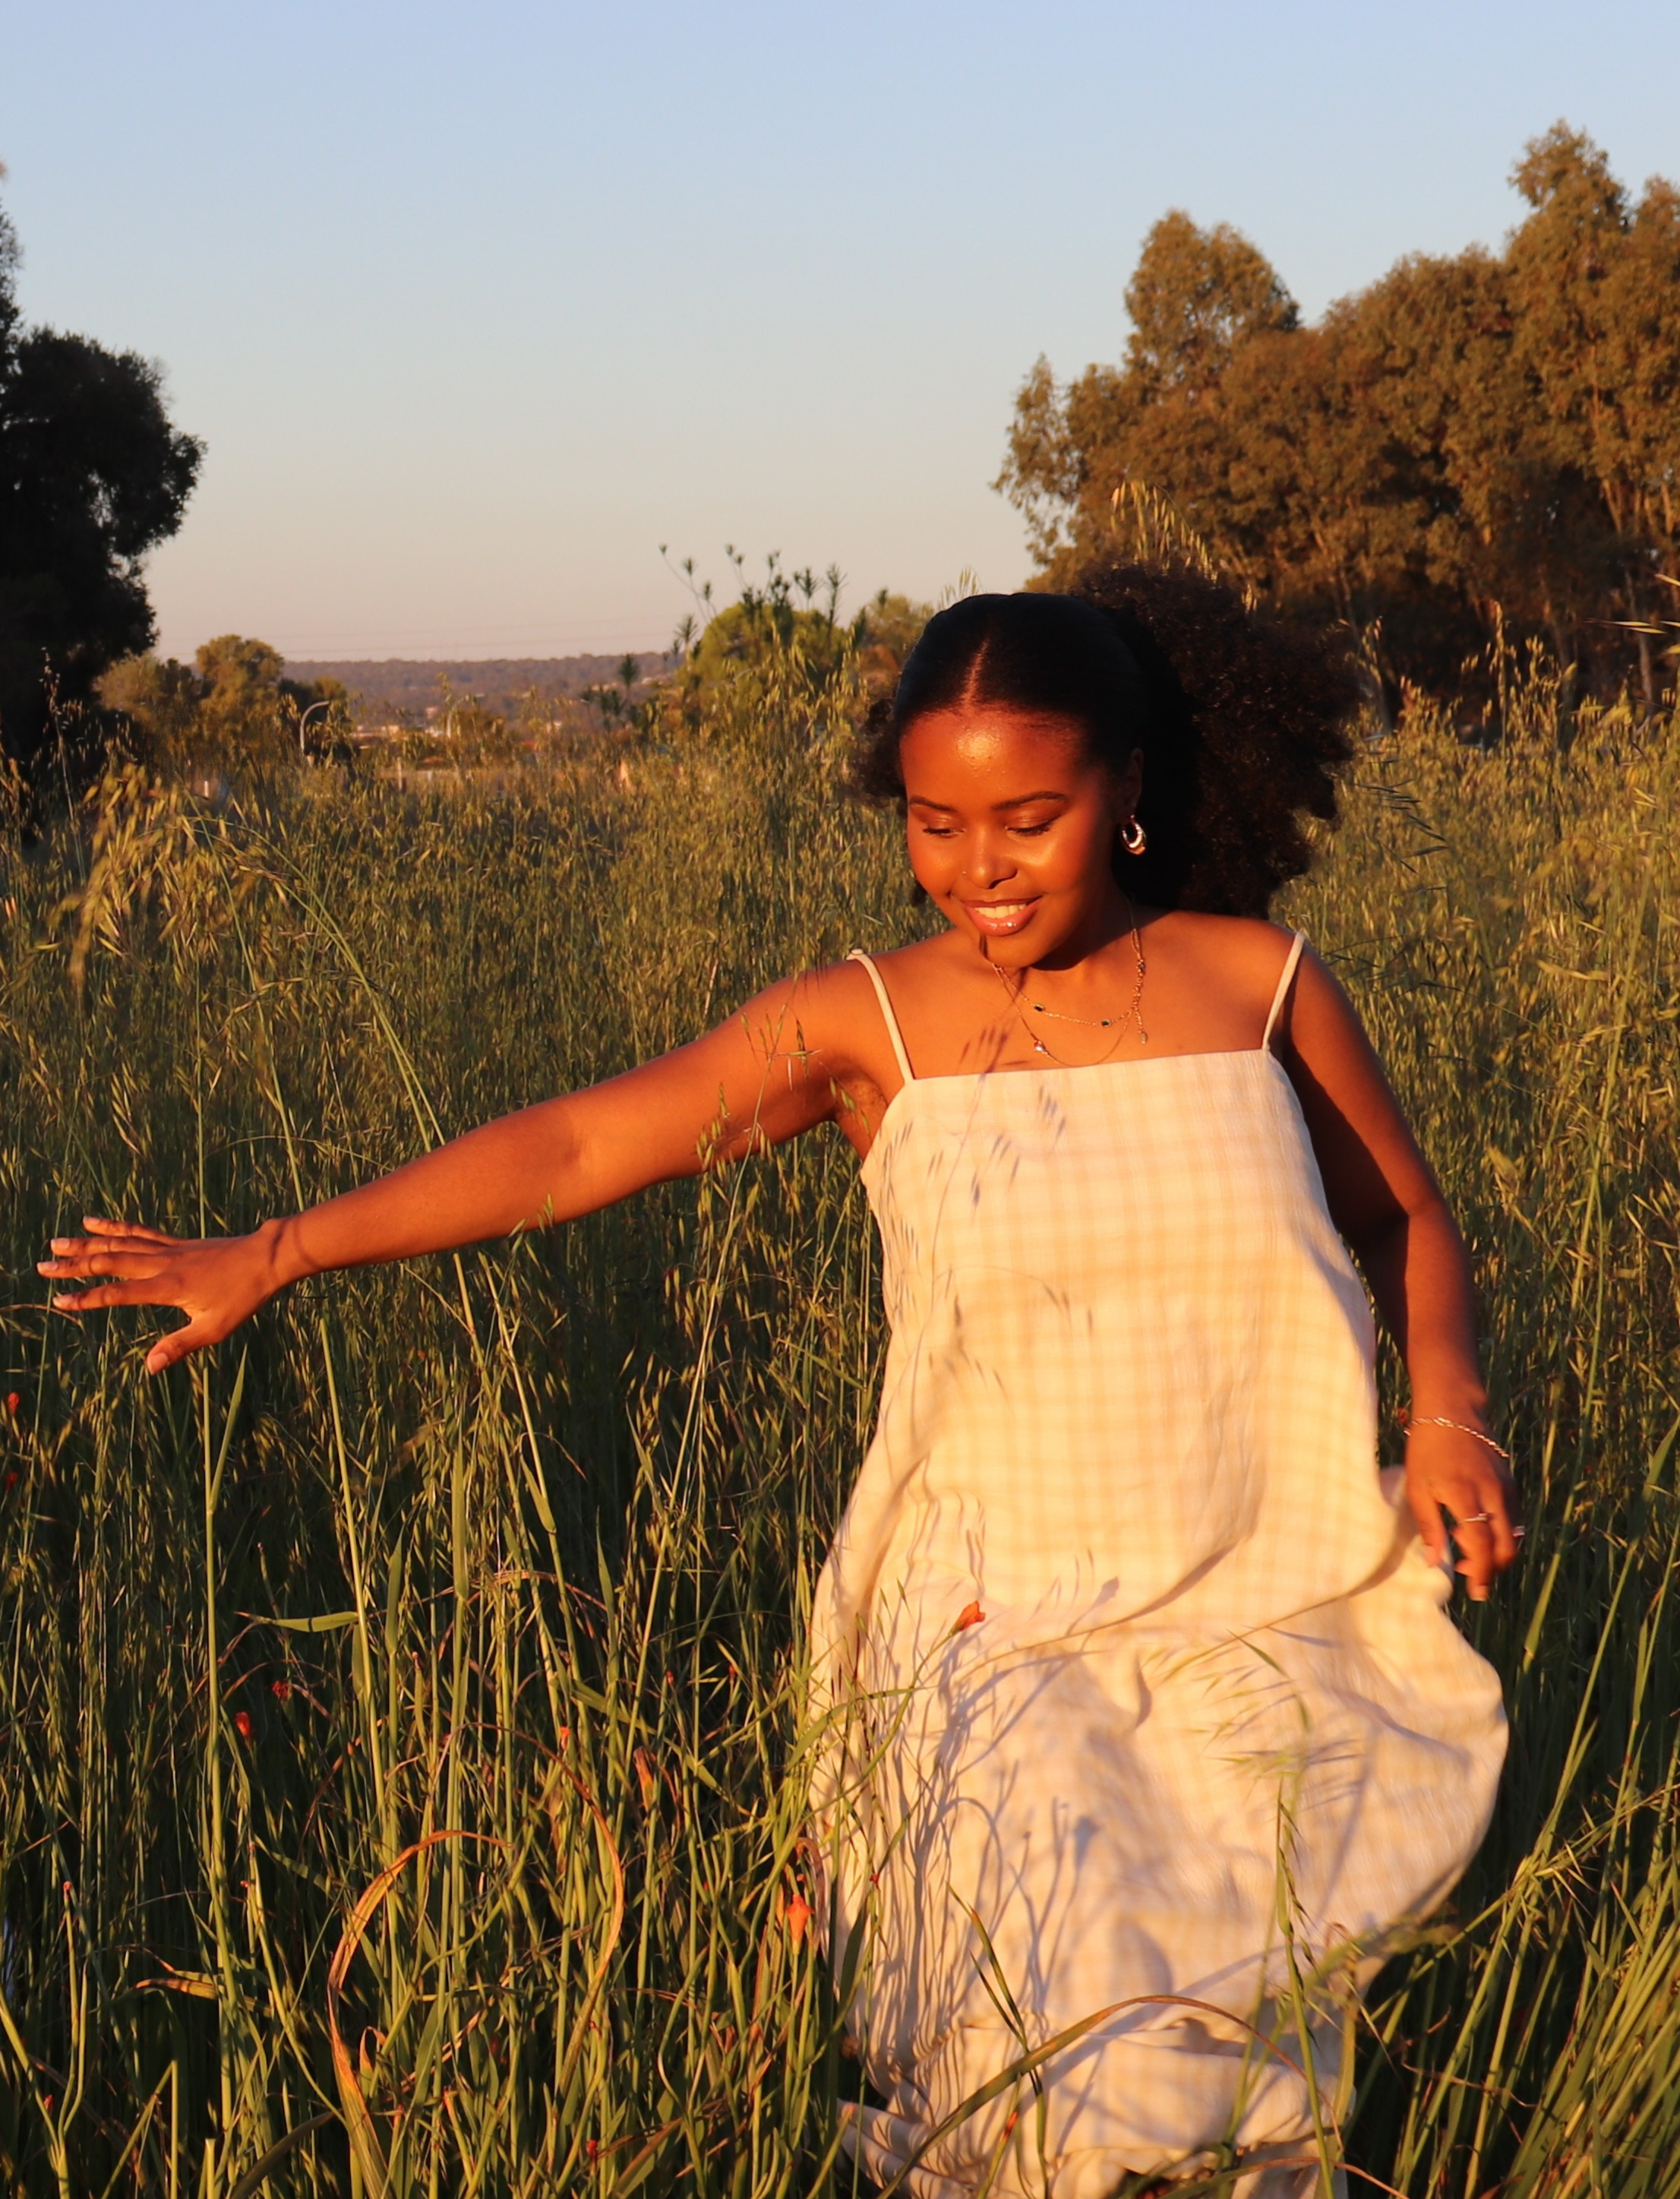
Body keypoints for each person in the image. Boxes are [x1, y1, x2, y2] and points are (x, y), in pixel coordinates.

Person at [42, 571, 1515, 2199]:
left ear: (1133, 786)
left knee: (1232, 2100)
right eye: (932, 823)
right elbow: (587, 1138)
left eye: (1027, 817)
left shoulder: (1261, 984)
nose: (978, 872)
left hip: (1259, 1597)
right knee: (1055, 2064)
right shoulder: (865, 1022)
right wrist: (280, 1247)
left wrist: (1443, 1418)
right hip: (997, 1639)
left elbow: (1400, 1216)